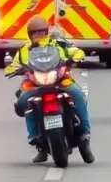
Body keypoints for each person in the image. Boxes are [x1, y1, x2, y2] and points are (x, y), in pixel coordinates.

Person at [7, 15, 92, 162]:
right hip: (35, 82)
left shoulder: (58, 43)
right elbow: (13, 65)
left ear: (46, 32)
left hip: (59, 80)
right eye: (35, 33)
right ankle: (36, 139)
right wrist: (14, 69)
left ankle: (85, 133)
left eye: (41, 32)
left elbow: (75, 50)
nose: (38, 36)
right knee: (24, 102)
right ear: (30, 35)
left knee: (77, 94)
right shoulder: (24, 50)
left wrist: (76, 56)